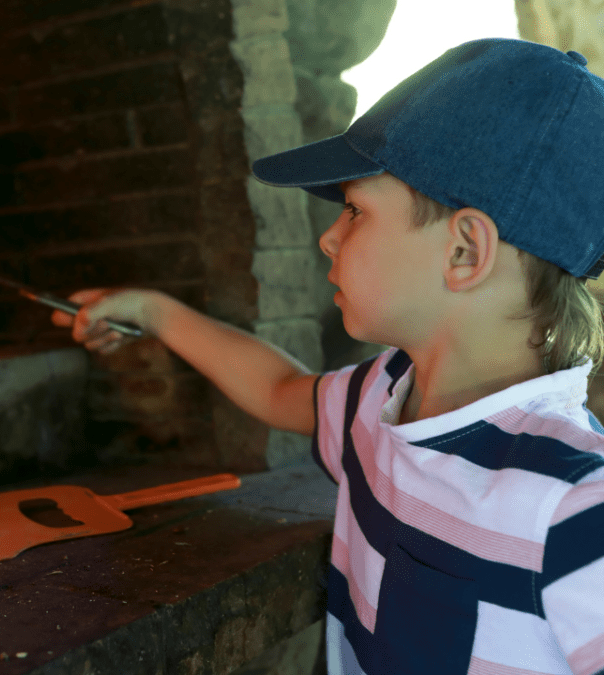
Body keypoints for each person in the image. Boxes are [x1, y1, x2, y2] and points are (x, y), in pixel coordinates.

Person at [51, 39, 604, 675]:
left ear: (463, 254)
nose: (328, 236)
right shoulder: (382, 397)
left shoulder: (574, 508)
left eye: (355, 211)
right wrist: (156, 311)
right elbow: (277, 388)